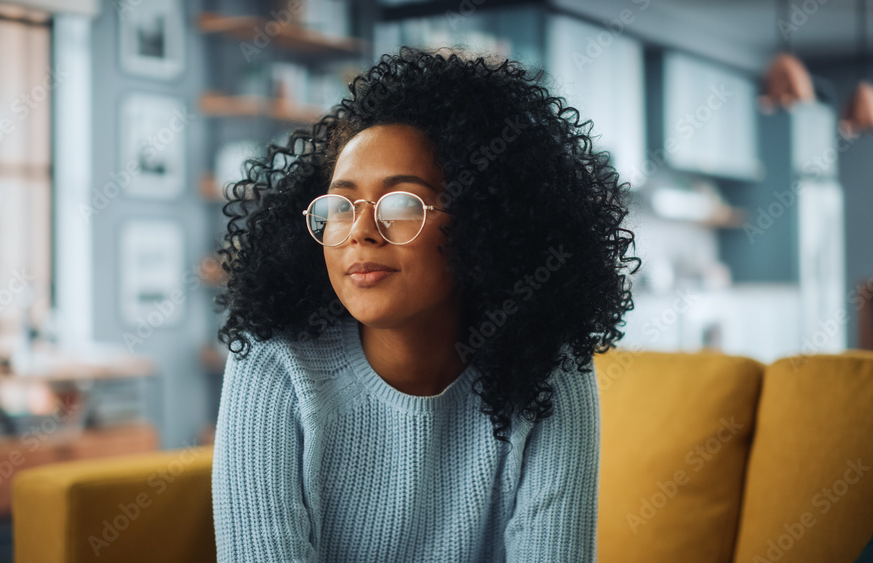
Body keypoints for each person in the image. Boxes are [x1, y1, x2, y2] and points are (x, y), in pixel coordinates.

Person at [210, 45, 640, 562]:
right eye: (340, 206)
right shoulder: (273, 360)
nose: (361, 231)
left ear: (487, 223)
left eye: (401, 204)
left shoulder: (549, 370)